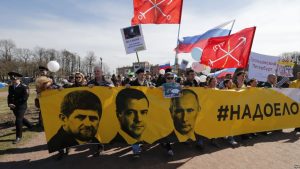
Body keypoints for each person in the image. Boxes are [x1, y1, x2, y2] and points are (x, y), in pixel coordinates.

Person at [158, 89, 204, 155]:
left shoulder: (203, 136)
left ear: (198, 110)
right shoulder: (163, 138)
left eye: (190, 110)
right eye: (179, 111)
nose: (184, 118)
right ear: (171, 112)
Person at [112, 88, 149, 157]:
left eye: (143, 112)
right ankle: (136, 150)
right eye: (130, 113)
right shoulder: (113, 140)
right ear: (119, 115)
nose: (139, 119)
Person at [7, 72, 33, 144]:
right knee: (20, 118)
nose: (13, 81)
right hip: (13, 106)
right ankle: (30, 125)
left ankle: (18, 137)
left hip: (21, 106)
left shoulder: (24, 86)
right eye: (12, 79)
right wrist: (9, 104)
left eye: (14, 79)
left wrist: (14, 103)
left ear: (19, 79)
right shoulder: (11, 87)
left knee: (18, 120)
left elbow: (25, 98)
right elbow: (9, 96)